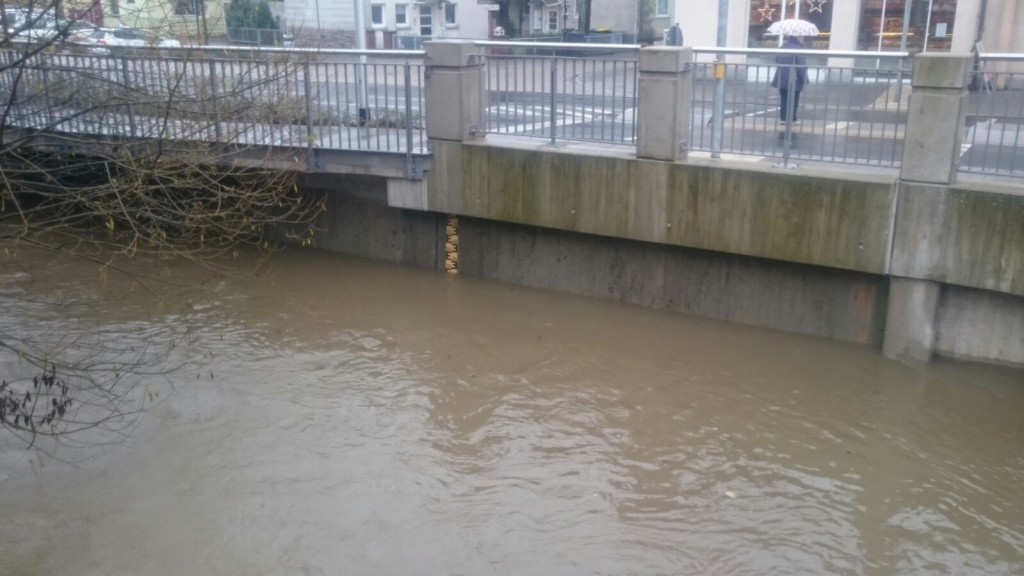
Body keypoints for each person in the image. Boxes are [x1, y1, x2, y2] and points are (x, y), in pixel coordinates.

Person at [771, 36, 808, 124]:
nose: (803, 39)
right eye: (802, 37)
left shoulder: (783, 46)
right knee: (794, 99)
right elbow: (801, 66)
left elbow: (777, 59)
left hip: (781, 76)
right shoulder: (798, 48)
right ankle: (792, 119)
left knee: (784, 98)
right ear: (798, 38)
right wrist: (804, 79)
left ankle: (783, 118)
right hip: (794, 77)